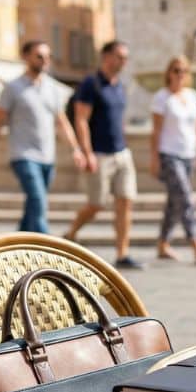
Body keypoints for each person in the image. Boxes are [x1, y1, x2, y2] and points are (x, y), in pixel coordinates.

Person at [0, 41, 85, 233]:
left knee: (33, 205)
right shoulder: (12, 88)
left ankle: (19, 242)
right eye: (39, 56)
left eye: (48, 56)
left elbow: (62, 122)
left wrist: (76, 149)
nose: (45, 60)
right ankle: (47, 246)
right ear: (25, 57)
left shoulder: (52, 88)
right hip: (23, 156)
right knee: (38, 200)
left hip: (47, 157)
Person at [64, 40, 142, 270]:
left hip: (121, 153)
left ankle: (122, 253)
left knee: (126, 201)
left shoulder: (120, 86)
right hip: (99, 155)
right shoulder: (91, 84)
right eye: (120, 56)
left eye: (126, 57)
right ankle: (71, 234)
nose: (124, 61)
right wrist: (87, 153)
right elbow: (81, 120)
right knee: (97, 204)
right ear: (106, 57)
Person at [150, 55, 196, 264]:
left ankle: (163, 244)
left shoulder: (192, 96)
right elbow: (156, 131)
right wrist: (154, 159)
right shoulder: (162, 97)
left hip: (189, 155)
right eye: (176, 70)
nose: (180, 75)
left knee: (174, 202)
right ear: (169, 73)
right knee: (186, 199)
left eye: (184, 71)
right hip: (169, 155)